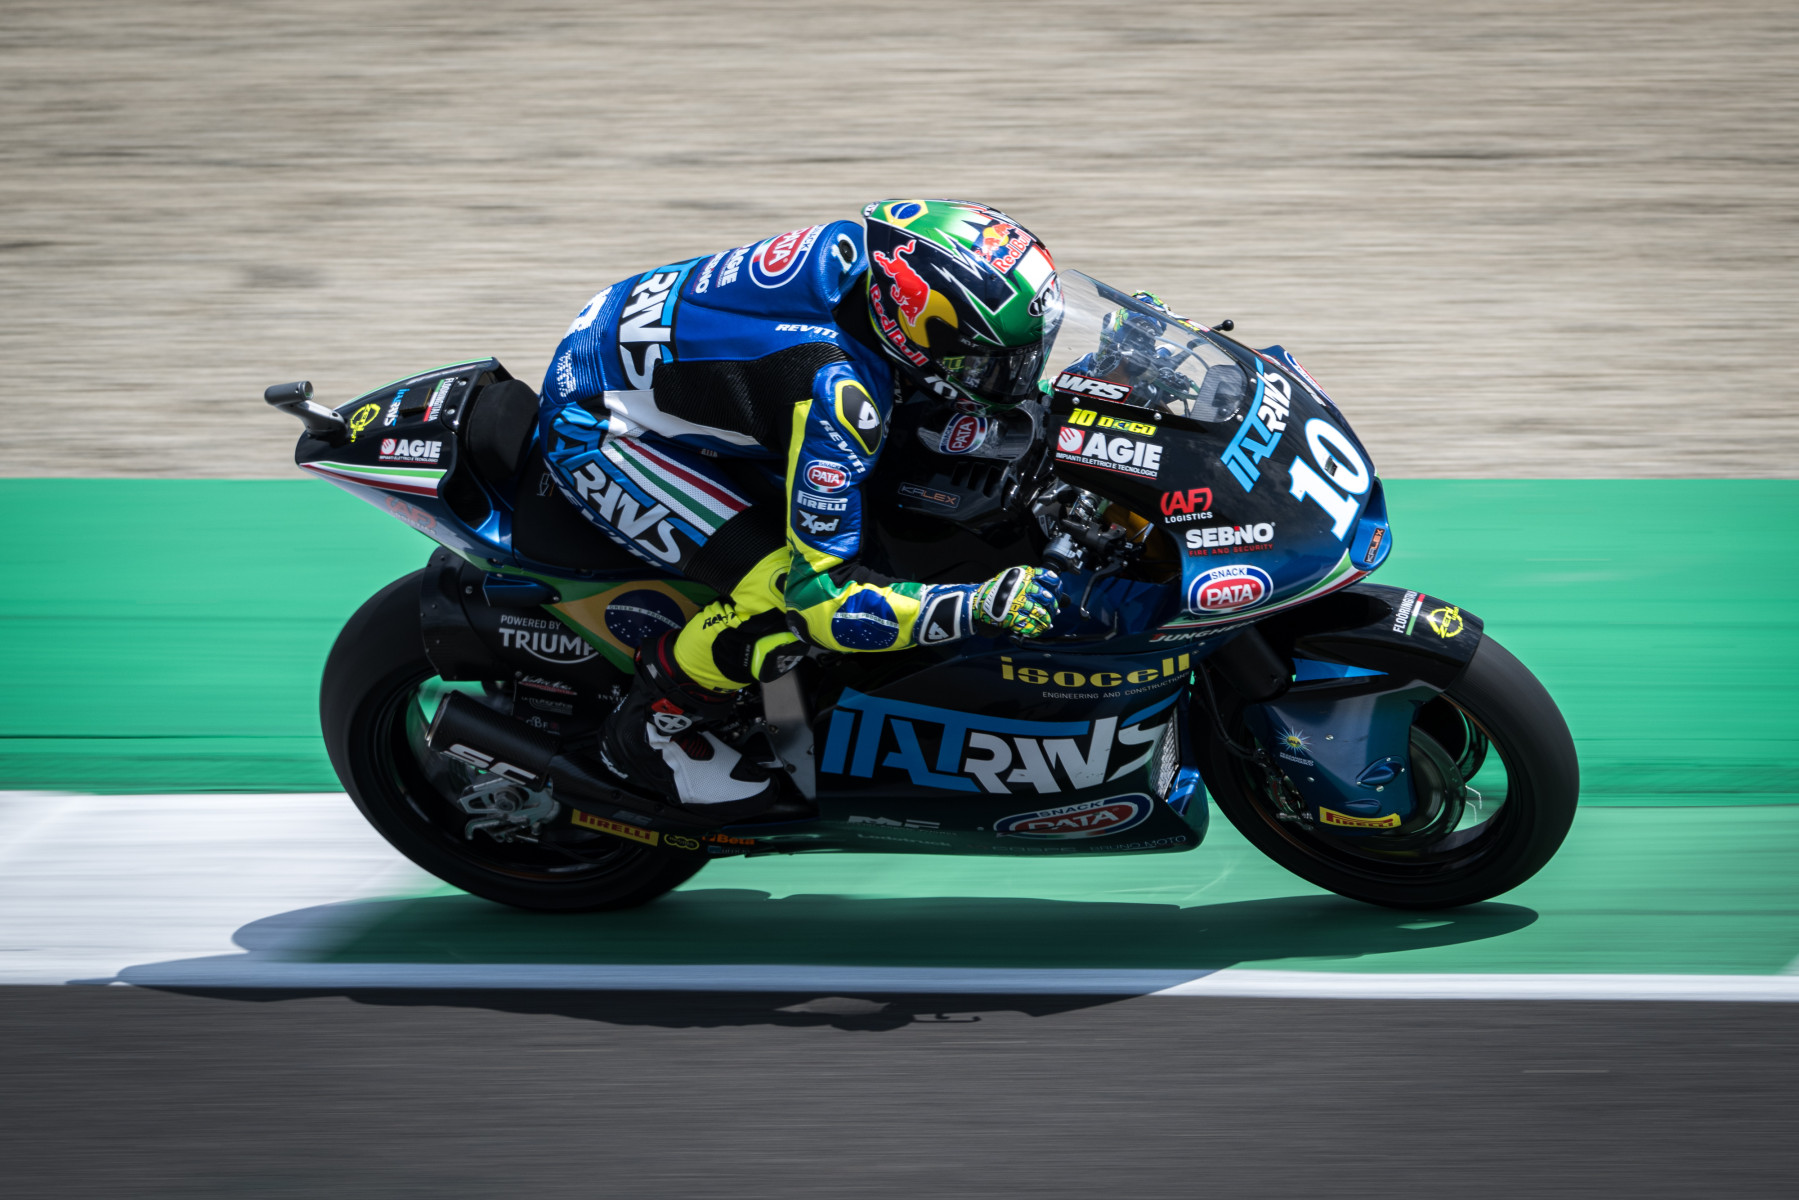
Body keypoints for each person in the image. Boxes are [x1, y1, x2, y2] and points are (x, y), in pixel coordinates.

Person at [539, 199, 1064, 818]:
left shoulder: (871, 264)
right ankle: (645, 733)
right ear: (913, 331)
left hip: (632, 341)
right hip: (600, 427)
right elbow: (821, 605)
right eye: (987, 363)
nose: (1016, 378)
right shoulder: (836, 392)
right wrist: (973, 607)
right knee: (776, 603)